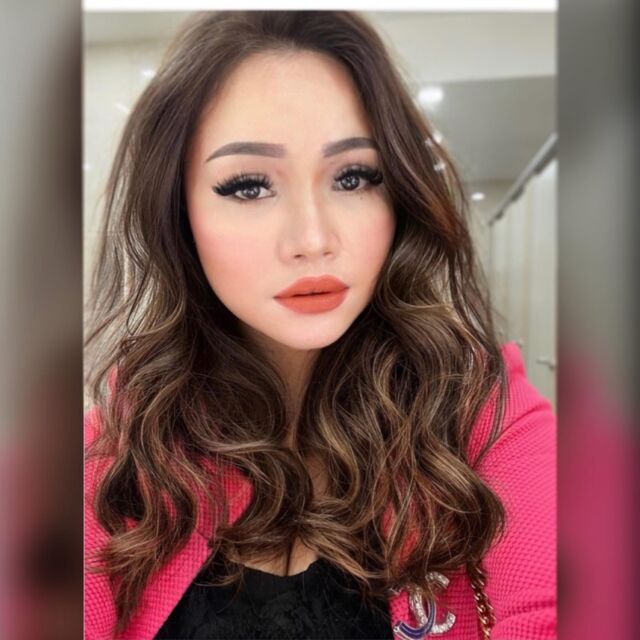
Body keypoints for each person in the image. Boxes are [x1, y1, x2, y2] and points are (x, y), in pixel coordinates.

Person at [84, 10, 556, 640]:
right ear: (178, 213)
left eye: (353, 177)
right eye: (249, 186)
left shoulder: (485, 416)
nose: (313, 238)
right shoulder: (119, 447)